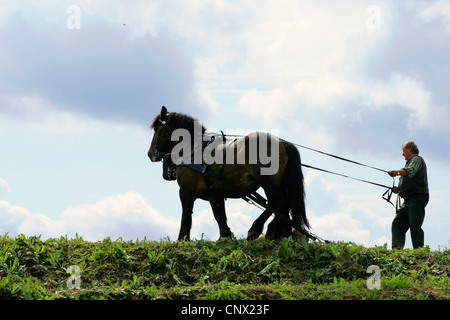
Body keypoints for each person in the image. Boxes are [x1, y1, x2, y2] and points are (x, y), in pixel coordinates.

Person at [388, 141, 429, 249]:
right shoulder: (408, 163)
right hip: (408, 199)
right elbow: (409, 178)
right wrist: (399, 190)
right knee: (397, 224)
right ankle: (397, 251)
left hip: (417, 197)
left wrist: (397, 172)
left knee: (415, 226)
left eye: (404, 151)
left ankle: (419, 252)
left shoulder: (416, 159)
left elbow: (411, 171)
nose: (402, 154)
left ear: (409, 149)